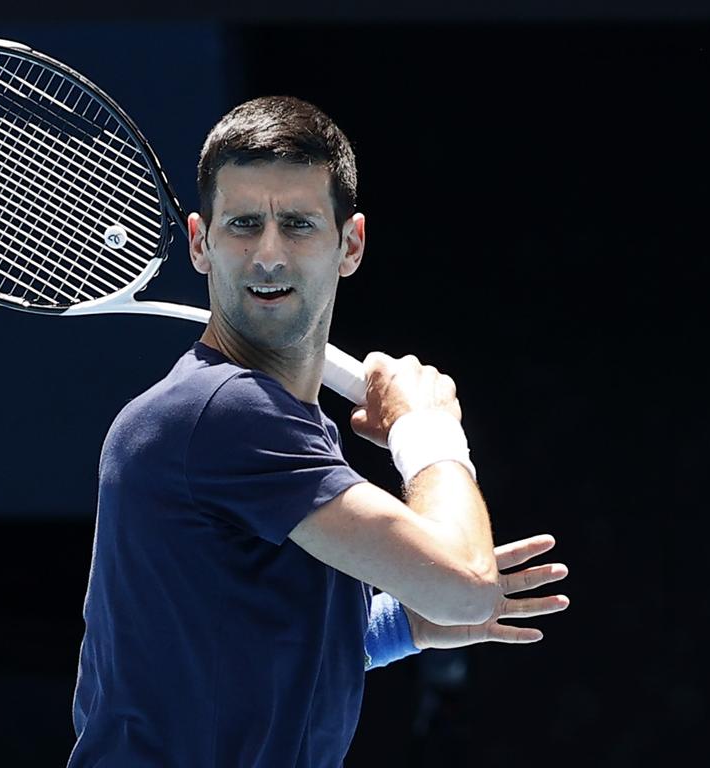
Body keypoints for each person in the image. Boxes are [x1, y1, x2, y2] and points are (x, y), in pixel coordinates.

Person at [67, 95, 569, 767]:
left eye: (298, 224)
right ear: (199, 242)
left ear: (350, 244)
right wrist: (427, 432)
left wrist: (405, 623)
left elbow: (244, 649)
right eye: (244, 224)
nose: (268, 254)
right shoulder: (221, 413)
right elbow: (468, 582)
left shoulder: (277, 428)